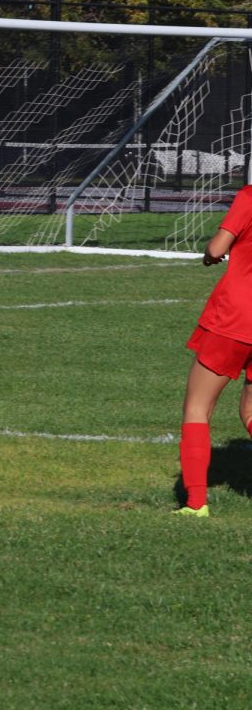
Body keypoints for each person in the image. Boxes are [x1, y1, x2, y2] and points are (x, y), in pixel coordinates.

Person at [174, 183, 252, 517]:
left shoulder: (249, 196)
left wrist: (210, 255)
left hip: (236, 318)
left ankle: (196, 504)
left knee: (197, 408)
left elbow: (219, 246)